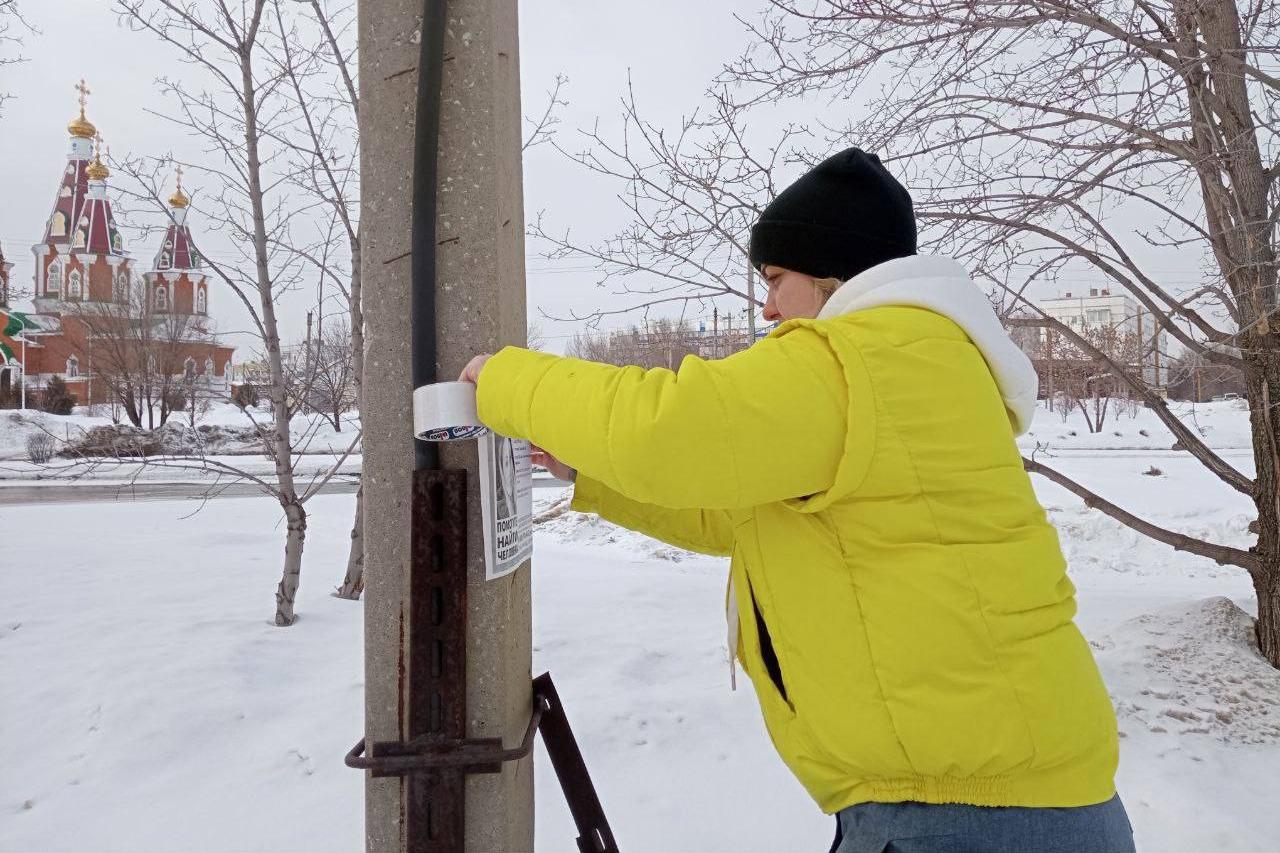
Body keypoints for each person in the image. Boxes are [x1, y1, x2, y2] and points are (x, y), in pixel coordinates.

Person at [459, 148, 1134, 853]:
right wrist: (591, 476)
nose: (767, 303)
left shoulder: (862, 356)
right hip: (965, 797)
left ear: (831, 272)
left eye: (776, 278)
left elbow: (671, 428)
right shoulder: (909, 358)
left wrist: (507, 382)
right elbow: (745, 512)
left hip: (976, 814)